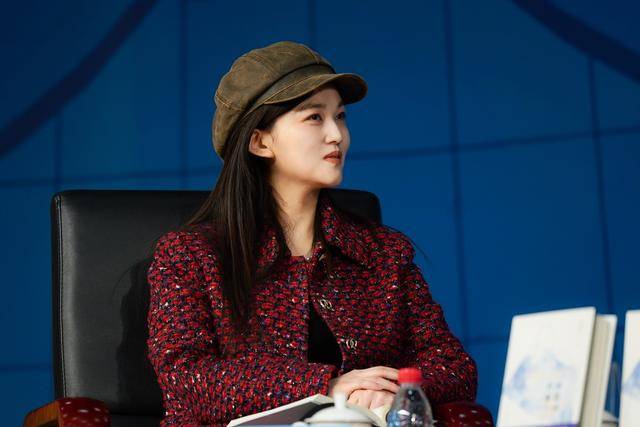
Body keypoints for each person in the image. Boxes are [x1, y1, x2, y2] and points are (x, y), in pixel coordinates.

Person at [146, 40, 477, 427]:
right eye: (315, 117)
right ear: (260, 141)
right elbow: (185, 379)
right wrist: (329, 386)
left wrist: (392, 391)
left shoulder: (382, 253)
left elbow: (453, 365)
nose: (337, 135)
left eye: (341, 117)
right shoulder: (191, 255)